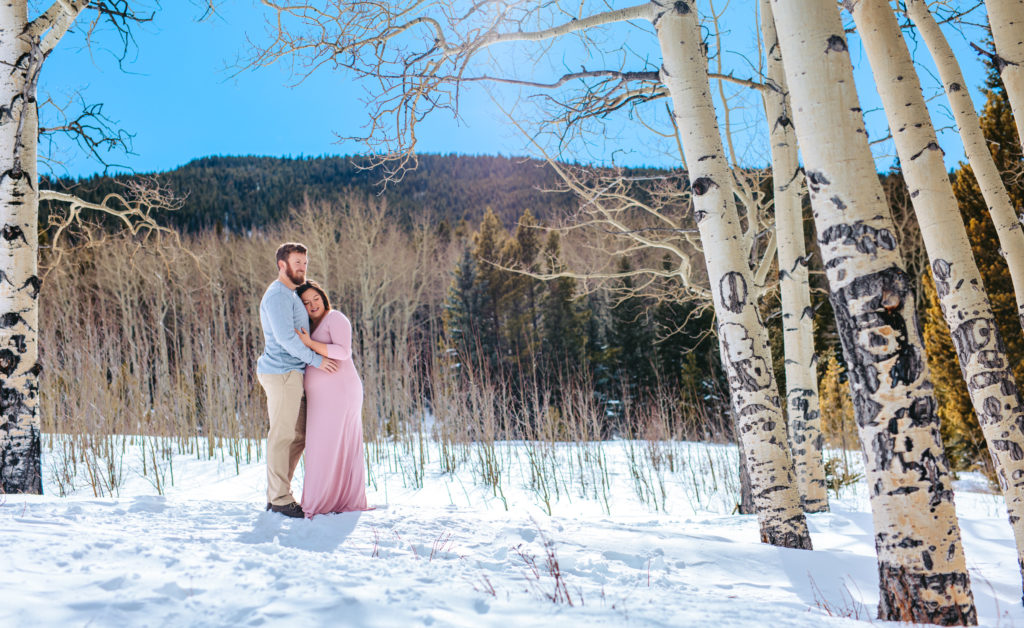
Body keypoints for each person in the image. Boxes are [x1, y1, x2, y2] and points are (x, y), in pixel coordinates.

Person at [256, 243, 339, 518]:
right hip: (282, 372)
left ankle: (278, 492)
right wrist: (317, 360)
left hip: (294, 373)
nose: (303, 267)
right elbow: (286, 338)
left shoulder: (291, 295)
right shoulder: (278, 295)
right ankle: (279, 498)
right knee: (281, 436)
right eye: (297, 262)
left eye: (305, 262)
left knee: (299, 435)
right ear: (282, 265)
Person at [295, 280, 369, 516]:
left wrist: (310, 344)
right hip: (321, 399)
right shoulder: (309, 325)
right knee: (321, 447)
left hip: (341, 393)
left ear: (323, 296)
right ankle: (325, 500)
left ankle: (320, 504)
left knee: (328, 446)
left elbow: (343, 351)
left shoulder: (335, 318)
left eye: (315, 298)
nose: (312, 304)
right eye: (306, 302)